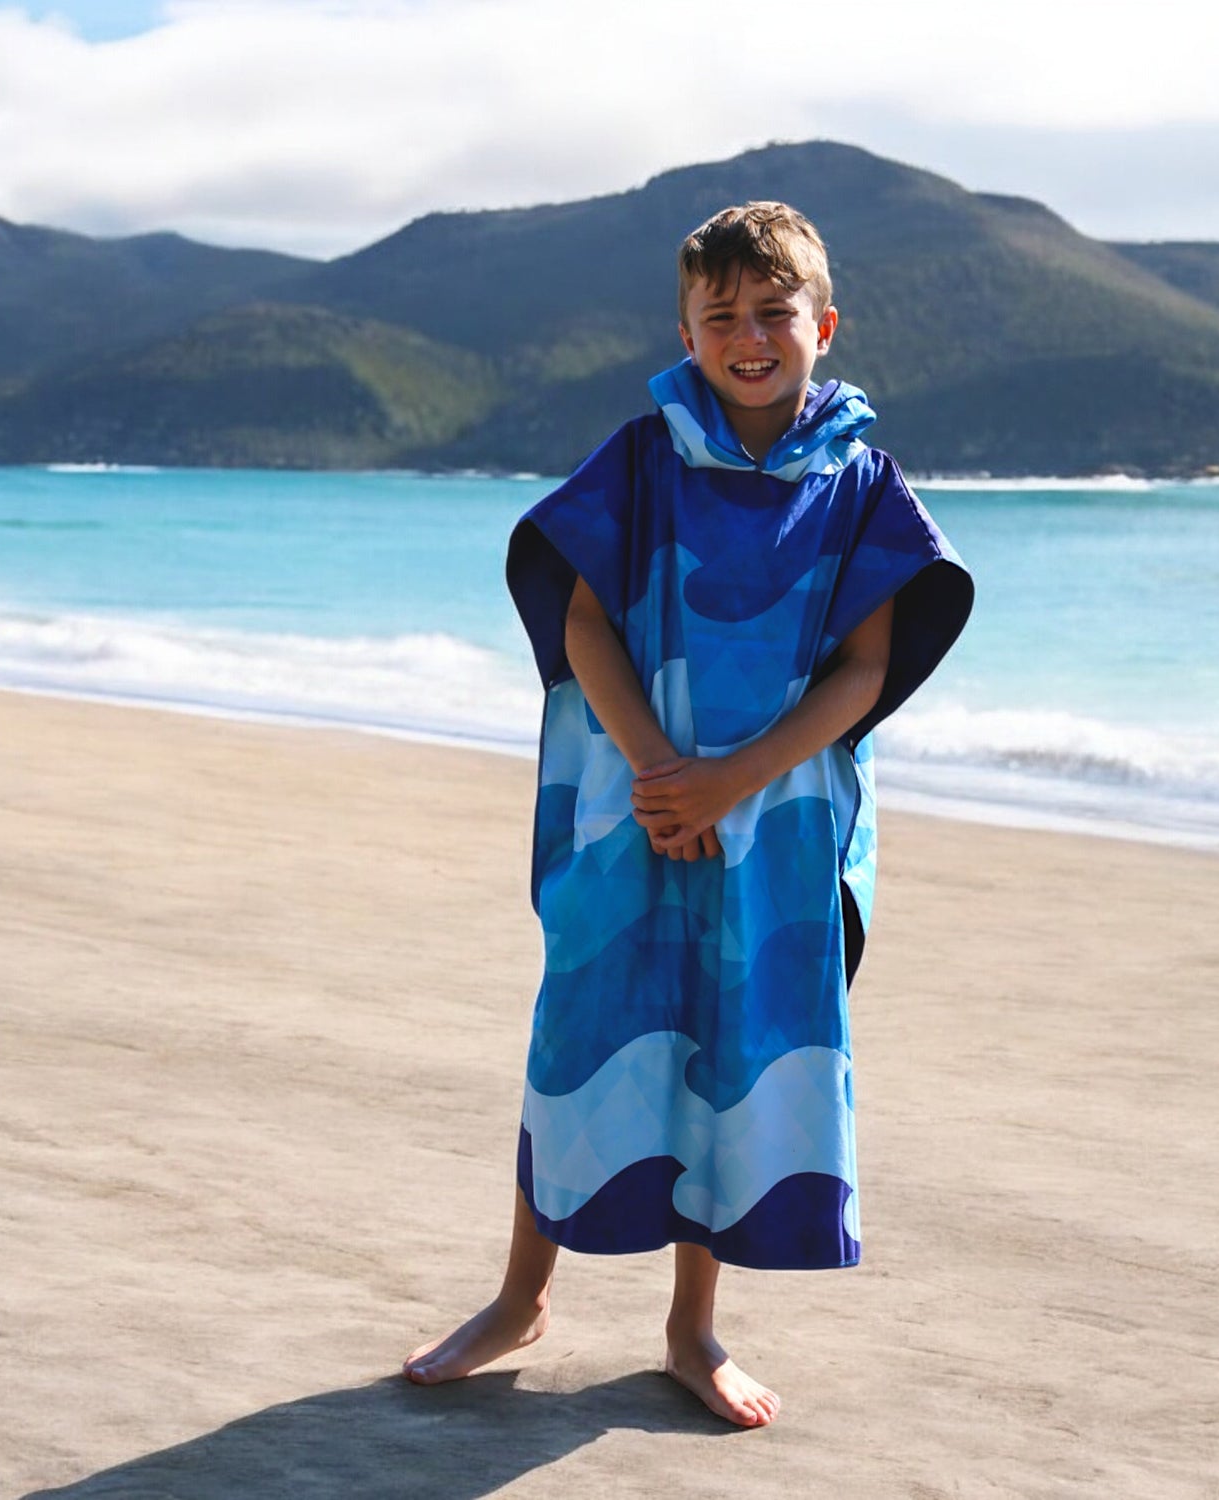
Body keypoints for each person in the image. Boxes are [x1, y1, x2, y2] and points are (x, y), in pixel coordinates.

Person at [403, 201, 973, 1427]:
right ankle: (519, 1298)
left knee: (729, 1051)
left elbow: (866, 671)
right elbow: (580, 620)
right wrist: (661, 767)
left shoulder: (861, 481)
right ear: (687, 328)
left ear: (825, 324)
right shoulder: (645, 457)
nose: (751, 337)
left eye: (776, 314)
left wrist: (735, 778)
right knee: (582, 1038)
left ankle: (691, 1327)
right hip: (630, 801)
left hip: (775, 827)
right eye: (724, 317)